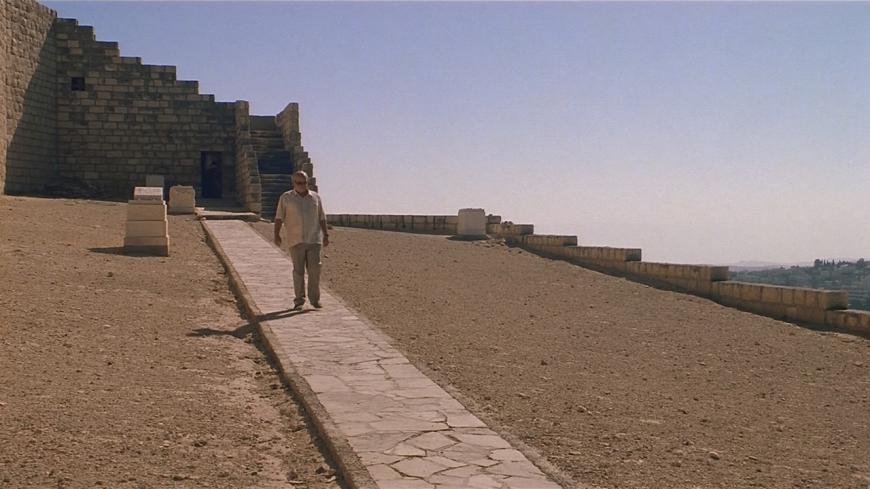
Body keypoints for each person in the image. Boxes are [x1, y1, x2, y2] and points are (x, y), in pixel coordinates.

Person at [274, 171, 329, 309]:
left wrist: (326, 234)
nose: (302, 185)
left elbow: (321, 217)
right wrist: (276, 234)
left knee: (315, 270)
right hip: (295, 239)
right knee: (298, 271)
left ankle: (314, 299)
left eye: (304, 183)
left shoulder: (315, 197)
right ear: (293, 183)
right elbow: (279, 217)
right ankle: (299, 300)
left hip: (314, 239)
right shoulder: (286, 198)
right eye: (299, 183)